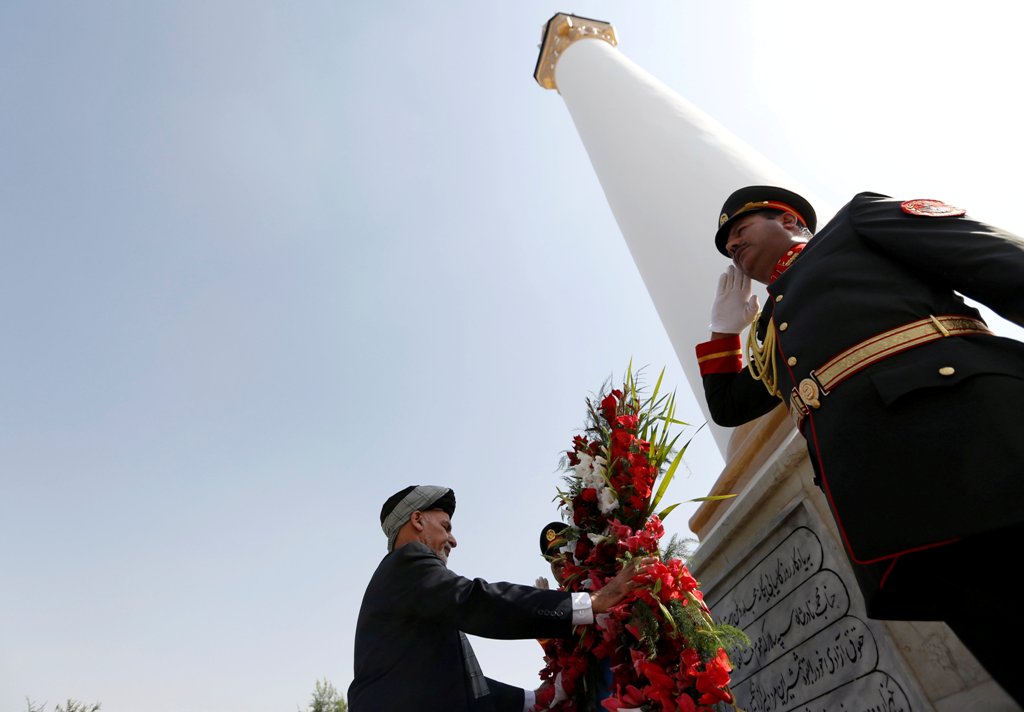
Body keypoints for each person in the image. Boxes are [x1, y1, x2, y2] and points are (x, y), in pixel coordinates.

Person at [693, 185, 1024, 706]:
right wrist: (723, 333)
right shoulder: (771, 329)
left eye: (740, 231)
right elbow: (732, 406)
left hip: (985, 451)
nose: (733, 246)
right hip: (895, 516)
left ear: (787, 218)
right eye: (727, 246)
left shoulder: (855, 225)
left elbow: (999, 263)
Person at [348, 486, 652, 712]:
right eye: (446, 527)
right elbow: (479, 602)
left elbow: (459, 684)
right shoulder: (408, 562)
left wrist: (534, 698)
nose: (453, 540)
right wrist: (593, 601)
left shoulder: (407, 585)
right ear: (417, 520)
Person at [535, 521, 615, 711]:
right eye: (551, 558)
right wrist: (543, 619)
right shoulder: (559, 600)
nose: (557, 561)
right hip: (583, 692)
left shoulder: (596, 579)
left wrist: (553, 609)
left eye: (562, 551)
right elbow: (556, 654)